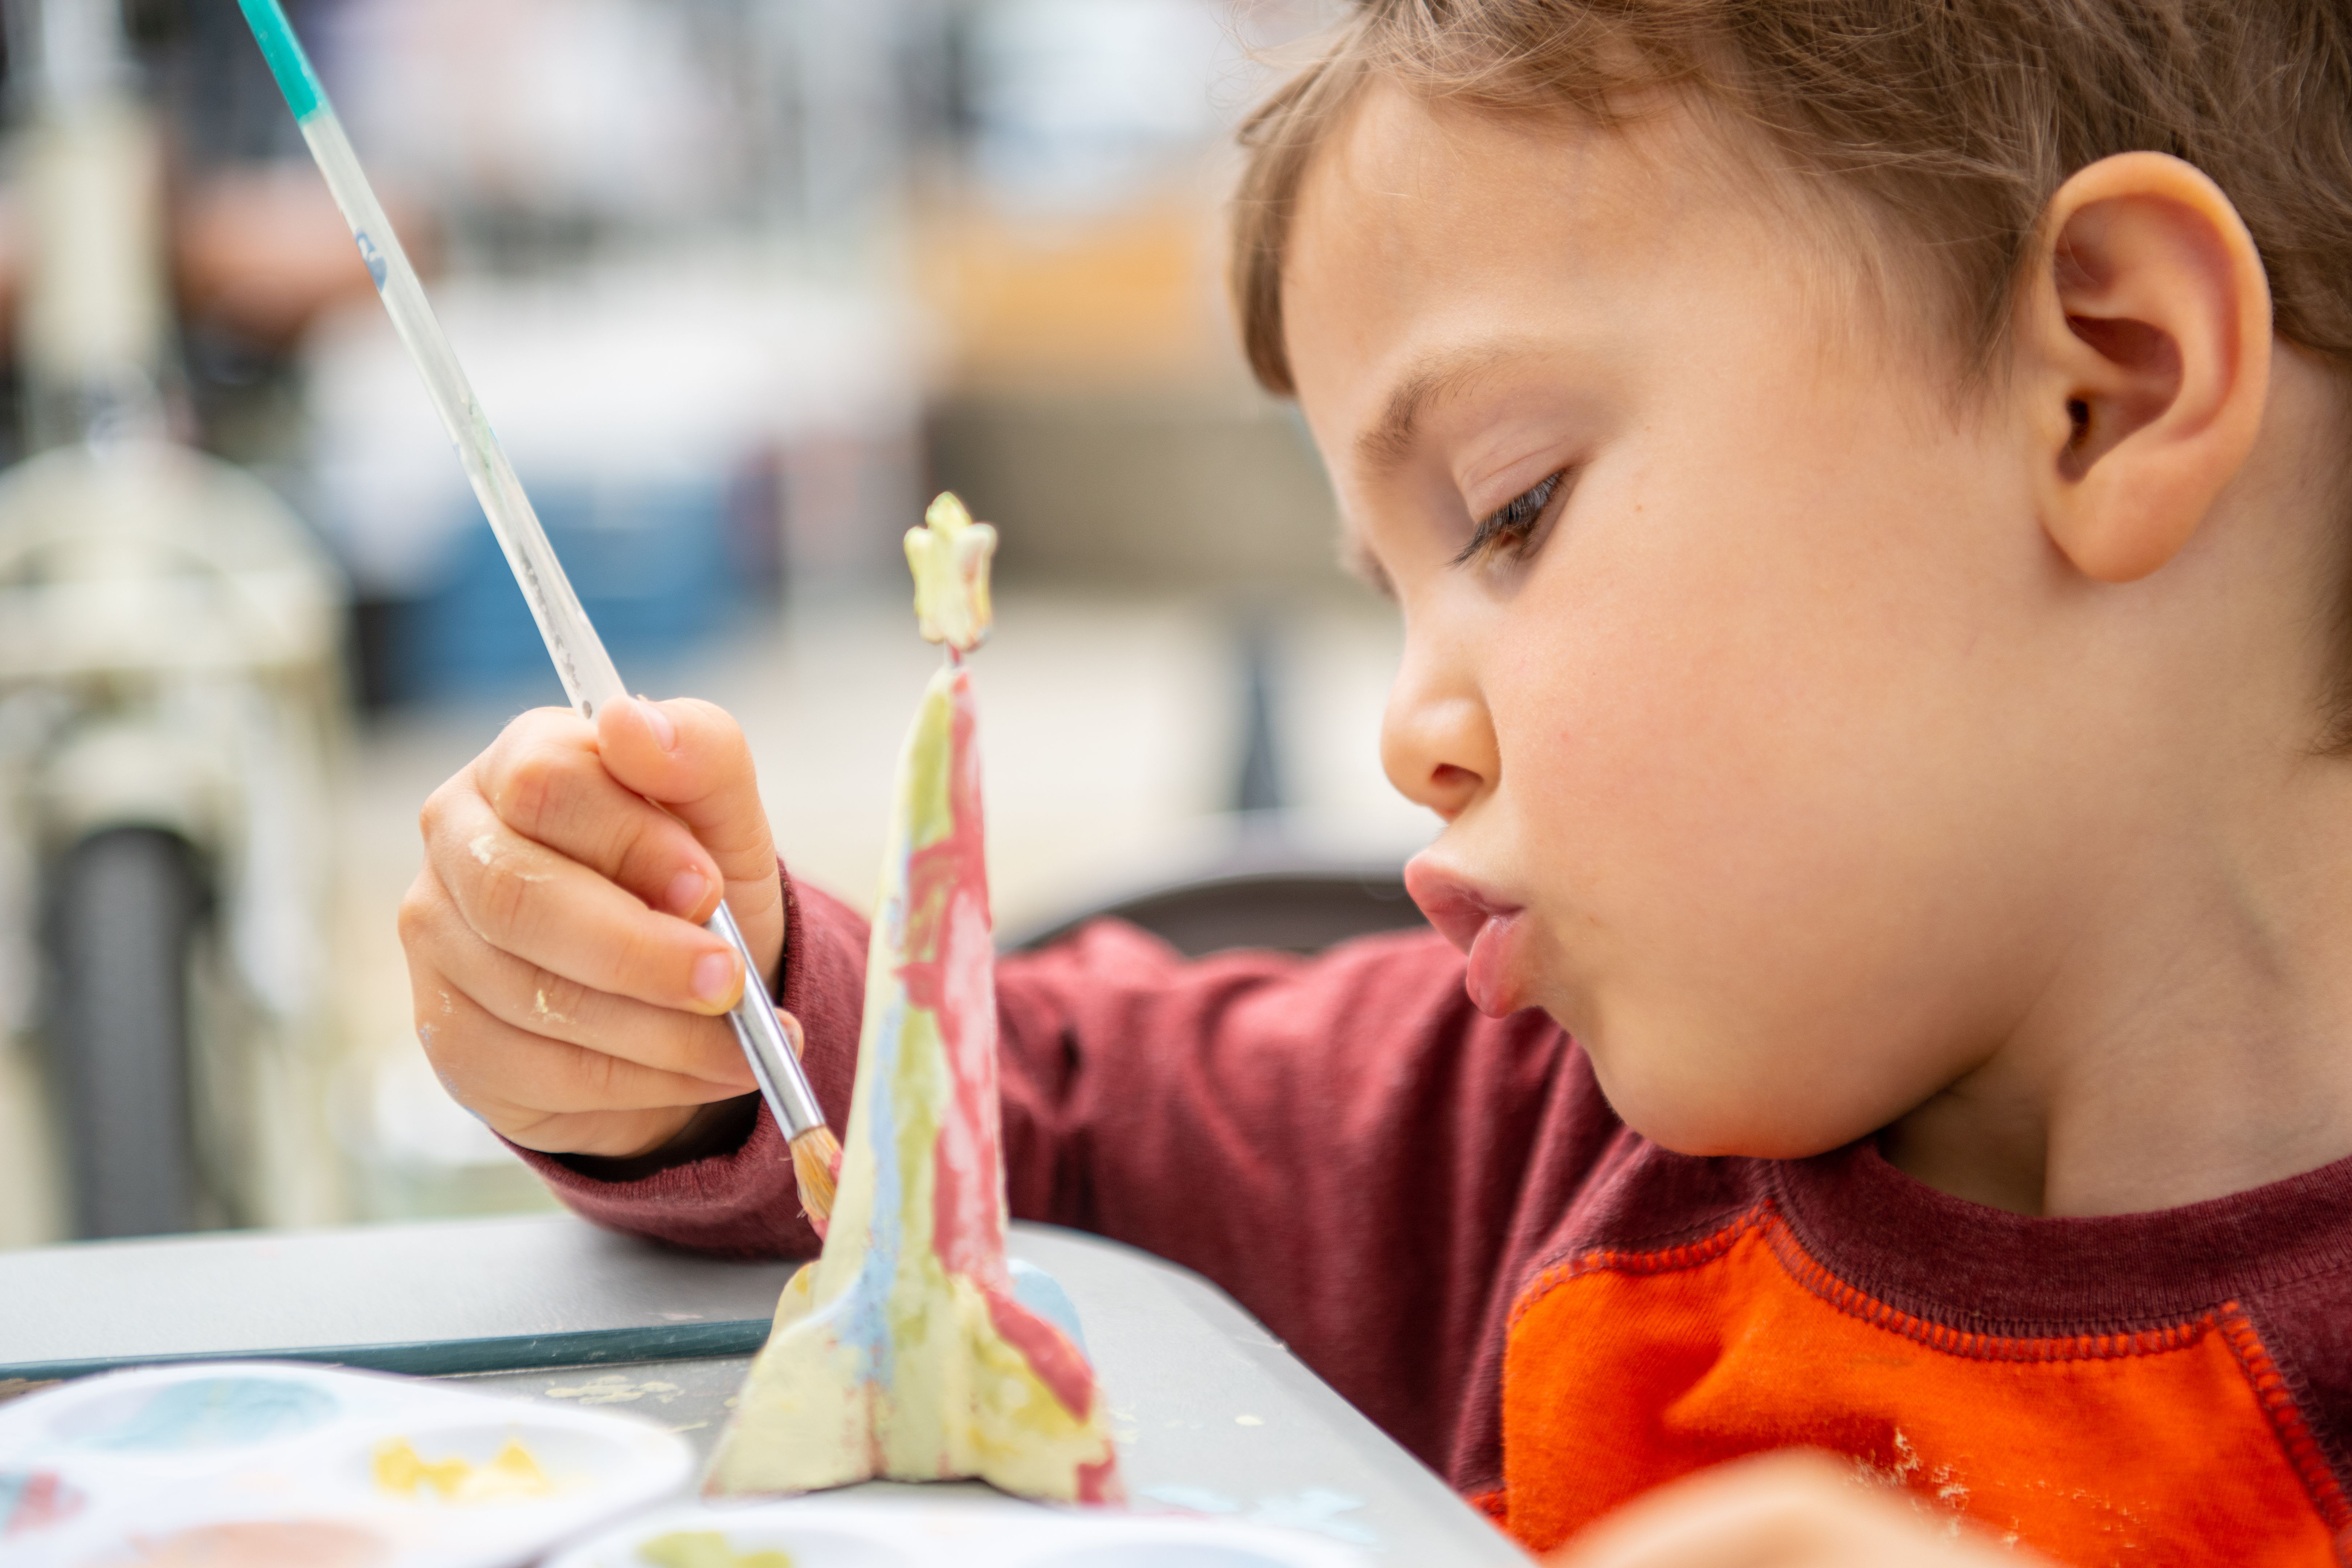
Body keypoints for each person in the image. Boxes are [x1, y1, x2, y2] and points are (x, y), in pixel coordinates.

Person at [396, 0, 2352, 1560]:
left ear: (2109, 380)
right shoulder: (1519, 1132)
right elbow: (1013, 1128)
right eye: (1394, 592)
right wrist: (693, 1007)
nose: (1412, 730)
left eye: (1511, 513)